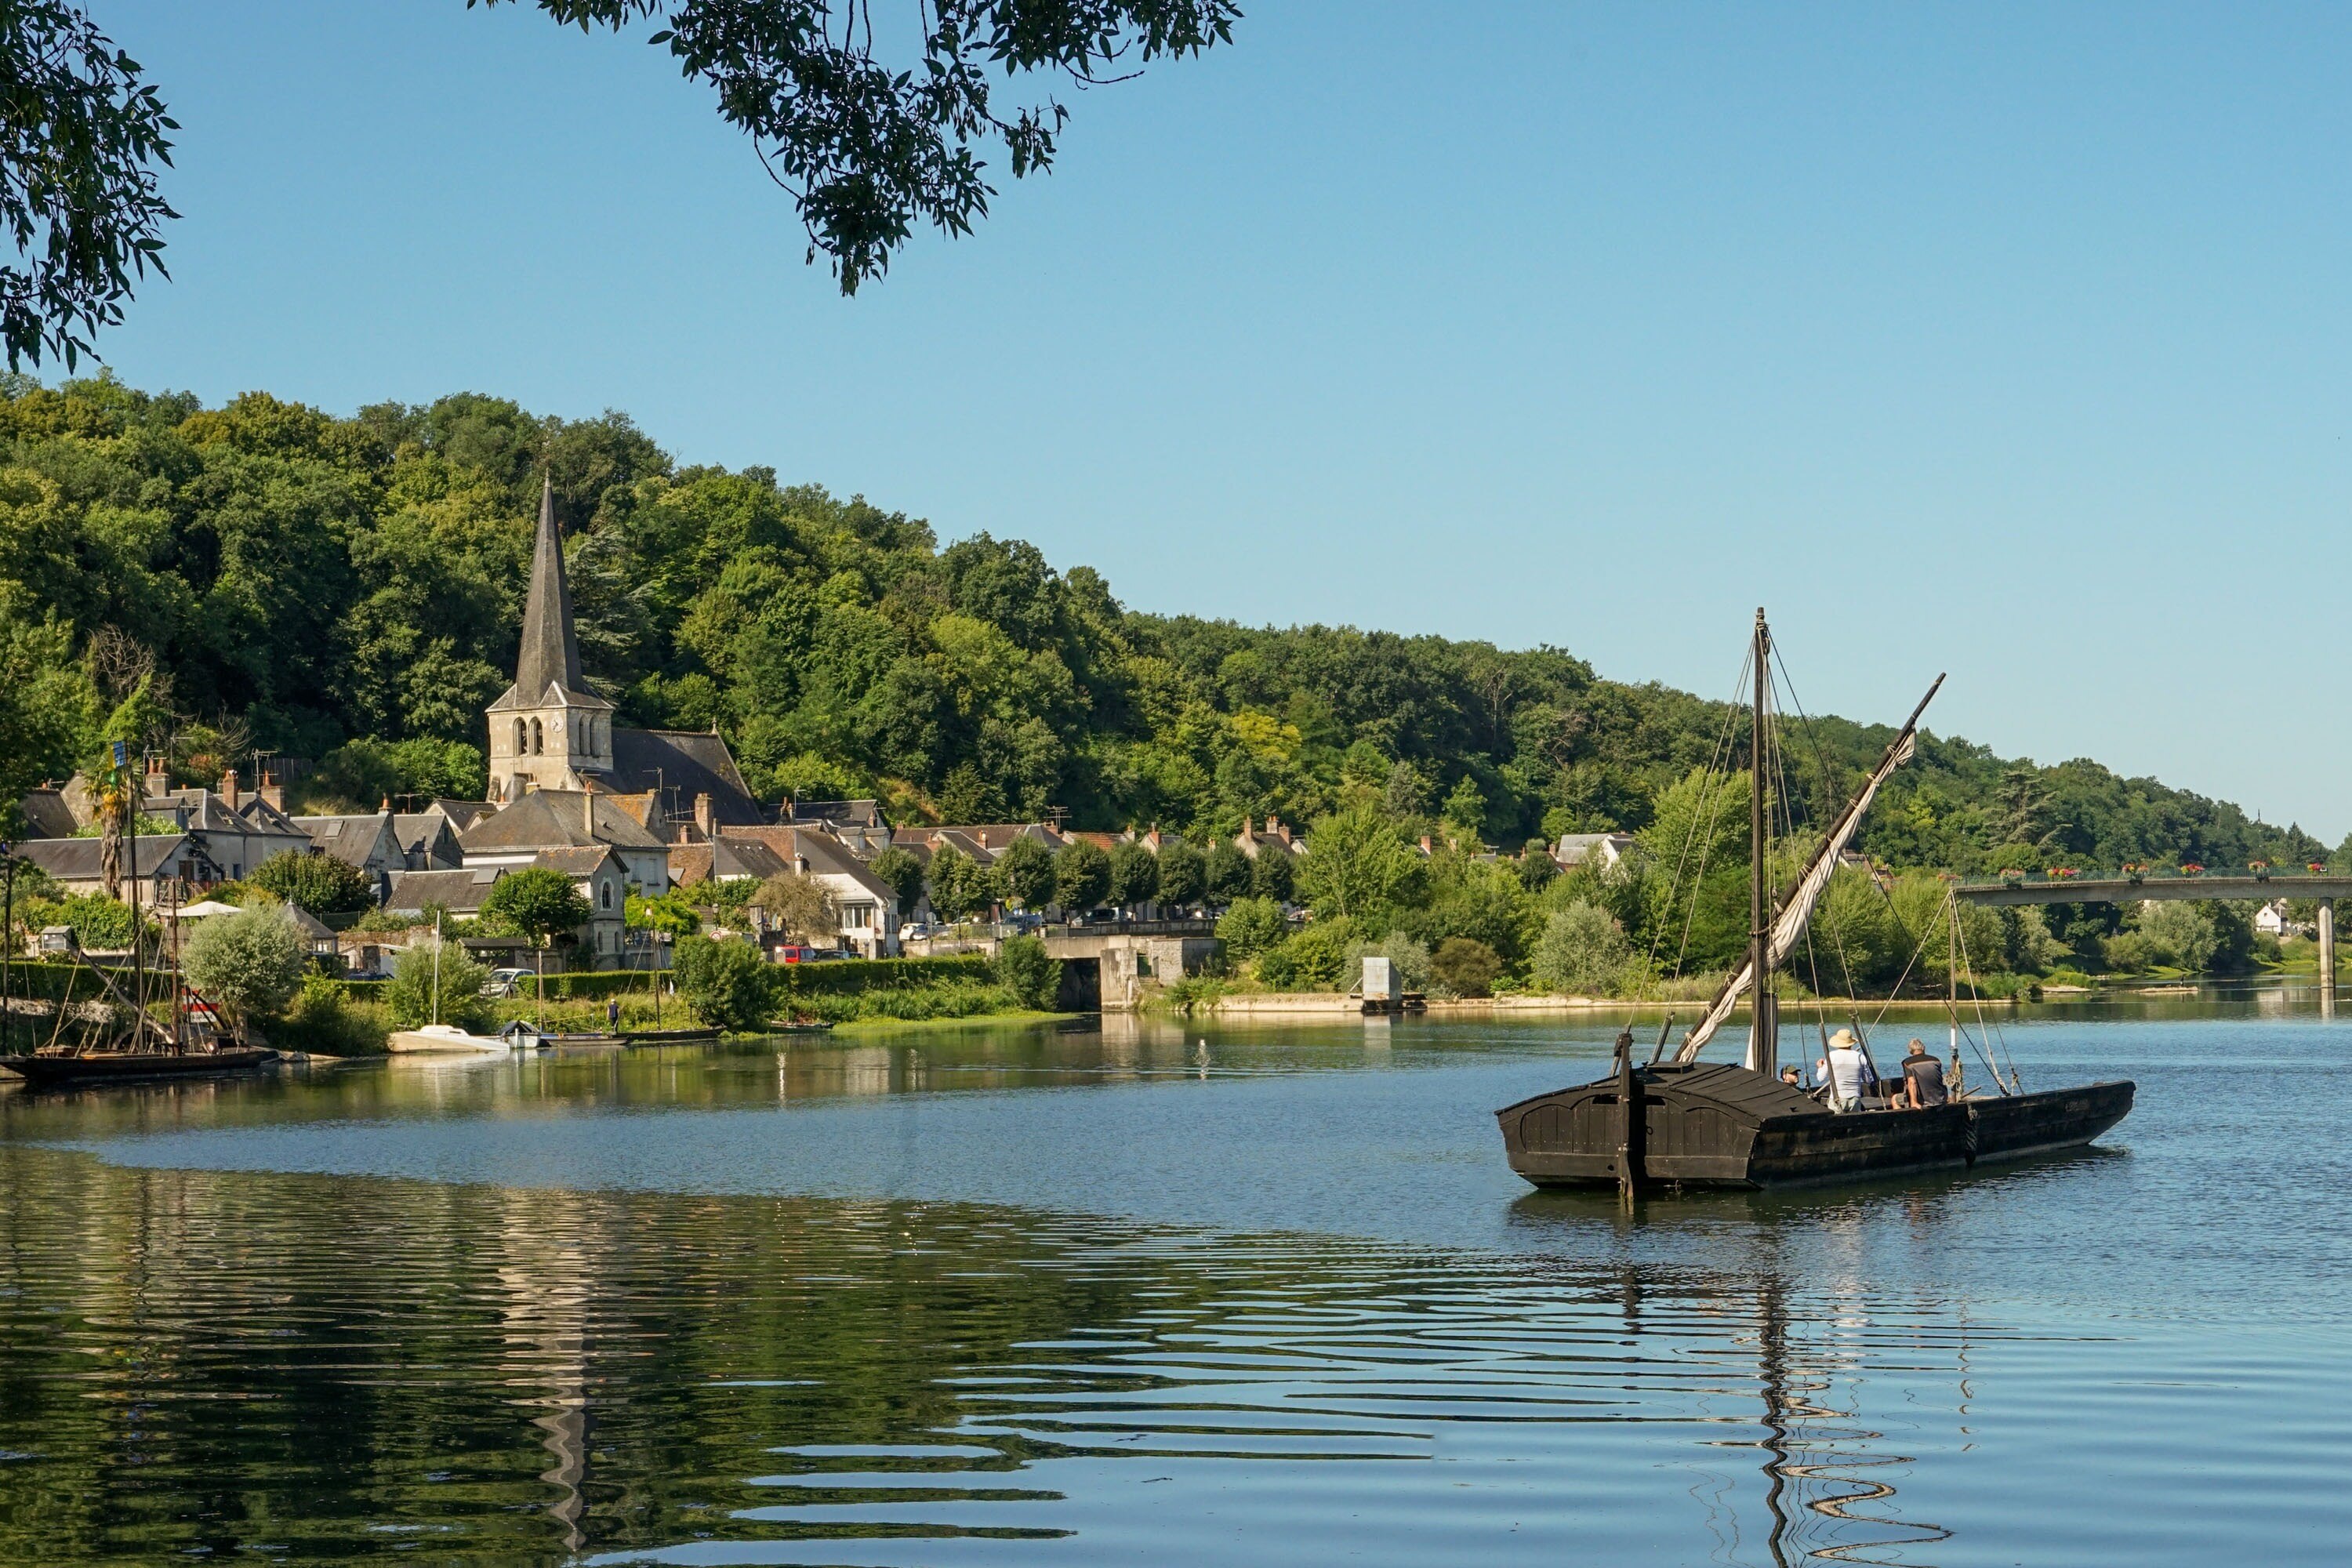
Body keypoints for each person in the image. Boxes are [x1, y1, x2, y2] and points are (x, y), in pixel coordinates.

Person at [1816, 1027, 1871, 1111]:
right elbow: (1868, 1080)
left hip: (1837, 1098)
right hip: (1855, 1098)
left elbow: (1820, 1078)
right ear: (1851, 1043)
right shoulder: (1860, 1056)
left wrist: (1820, 1067)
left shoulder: (1832, 1056)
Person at [1900, 1038, 1949, 1109]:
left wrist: (1914, 1102)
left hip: (1925, 1101)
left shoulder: (1907, 1063)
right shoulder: (1936, 1060)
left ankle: (1903, 1118)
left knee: (1895, 1099)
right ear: (1923, 1048)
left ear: (1910, 1051)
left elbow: (1912, 1083)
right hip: (1941, 1099)